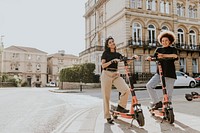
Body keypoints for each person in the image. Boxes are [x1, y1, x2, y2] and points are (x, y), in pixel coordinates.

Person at [101, 36, 138, 124]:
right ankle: (107, 116)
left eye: (113, 41)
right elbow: (103, 66)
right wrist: (112, 61)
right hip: (106, 74)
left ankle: (120, 107)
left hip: (115, 74)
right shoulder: (105, 53)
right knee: (106, 97)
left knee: (126, 90)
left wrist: (133, 58)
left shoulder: (118, 54)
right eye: (110, 42)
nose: (112, 43)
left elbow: (126, 60)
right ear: (107, 45)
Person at [146, 30, 178, 110]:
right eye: (162, 41)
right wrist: (150, 58)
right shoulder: (158, 49)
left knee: (168, 94)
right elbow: (154, 57)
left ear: (170, 41)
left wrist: (163, 55)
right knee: (149, 86)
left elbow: (174, 56)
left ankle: (168, 110)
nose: (164, 42)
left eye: (166, 40)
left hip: (170, 74)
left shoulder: (172, 49)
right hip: (159, 73)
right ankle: (157, 102)